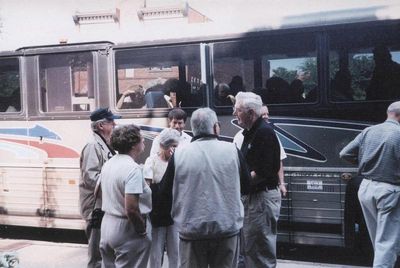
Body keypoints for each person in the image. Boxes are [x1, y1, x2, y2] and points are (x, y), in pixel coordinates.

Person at [156, 107, 250, 268]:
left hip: (191, 230)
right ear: (215, 127)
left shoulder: (179, 154)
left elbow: (164, 192)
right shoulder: (232, 150)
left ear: (193, 129)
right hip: (226, 228)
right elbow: (247, 185)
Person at [339, 101, 400, 268]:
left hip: (366, 188)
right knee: (386, 240)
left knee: (378, 238)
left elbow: (344, 153)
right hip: (388, 190)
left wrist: (364, 162)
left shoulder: (368, 131)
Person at [233, 92, 281, 268]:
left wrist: (236, 184)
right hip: (254, 198)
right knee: (251, 251)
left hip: (260, 199)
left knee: (259, 253)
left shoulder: (264, 133)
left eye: (238, 110)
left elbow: (263, 172)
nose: (234, 114)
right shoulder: (251, 132)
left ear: (251, 112)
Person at [100, 124, 152, 268]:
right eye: (141, 139)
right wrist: (142, 231)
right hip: (127, 229)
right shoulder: (133, 169)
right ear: (134, 145)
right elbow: (131, 209)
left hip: (107, 224)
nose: (144, 142)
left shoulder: (109, 164)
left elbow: (96, 192)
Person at [79, 108, 121, 268]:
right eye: (111, 122)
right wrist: (115, 184)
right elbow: (90, 178)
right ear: (102, 125)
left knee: (106, 253)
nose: (115, 124)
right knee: (96, 257)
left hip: (103, 205)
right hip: (95, 208)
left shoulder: (104, 144)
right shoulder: (92, 146)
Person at [144, 128, 181, 268]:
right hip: (157, 213)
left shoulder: (178, 161)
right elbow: (147, 188)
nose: (174, 149)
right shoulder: (151, 161)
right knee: (156, 250)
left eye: (176, 146)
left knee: (175, 250)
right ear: (164, 146)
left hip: (174, 211)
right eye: (172, 146)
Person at [234, 104, 287, 196]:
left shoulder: (267, 133)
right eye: (263, 114)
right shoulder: (241, 136)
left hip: (263, 192)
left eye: (267, 114)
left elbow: (275, 162)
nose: (266, 117)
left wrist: (281, 183)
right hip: (250, 193)